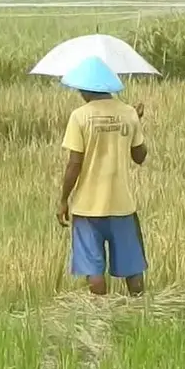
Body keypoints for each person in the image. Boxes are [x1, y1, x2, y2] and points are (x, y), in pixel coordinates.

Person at [55, 56, 149, 296]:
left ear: (86, 89)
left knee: (93, 269)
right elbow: (140, 156)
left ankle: (100, 313)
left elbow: (74, 163)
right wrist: (136, 124)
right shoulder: (128, 113)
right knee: (132, 267)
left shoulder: (79, 116)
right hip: (122, 205)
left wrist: (64, 199)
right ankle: (140, 309)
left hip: (87, 208)